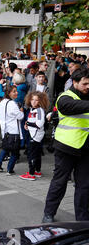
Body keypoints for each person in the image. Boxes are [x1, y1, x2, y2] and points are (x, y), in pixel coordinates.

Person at [42, 69, 89, 223]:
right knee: (59, 182)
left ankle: (82, 220)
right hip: (66, 148)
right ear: (74, 83)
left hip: (85, 149)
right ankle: (49, 213)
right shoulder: (65, 98)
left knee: (84, 186)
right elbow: (75, 107)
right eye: (85, 83)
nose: (88, 86)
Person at [0, 85, 24, 175]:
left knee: (6, 148)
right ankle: (9, 169)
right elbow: (20, 116)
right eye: (14, 91)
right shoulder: (12, 104)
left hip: (5, 130)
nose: (16, 93)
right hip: (13, 131)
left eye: (16, 91)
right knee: (15, 152)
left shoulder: (2, 102)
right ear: (9, 93)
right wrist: (21, 110)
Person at [19, 91, 49, 181]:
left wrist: (28, 123)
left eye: (36, 100)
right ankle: (37, 171)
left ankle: (31, 174)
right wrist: (27, 125)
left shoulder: (39, 110)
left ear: (40, 101)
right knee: (37, 153)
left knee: (31, 154)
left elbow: (39, 124)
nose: (34, 102)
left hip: (36, 136)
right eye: (32, 99)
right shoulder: (32, 109)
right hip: (33, 134)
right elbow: (32, 122)